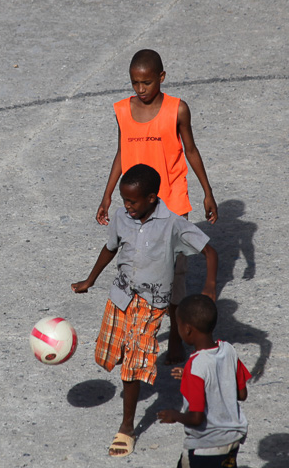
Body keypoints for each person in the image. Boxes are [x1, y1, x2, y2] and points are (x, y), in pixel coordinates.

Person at [73, 164, 218, 458]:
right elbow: (110, 247)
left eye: (132, 201)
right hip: (120, 297)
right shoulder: (122, 217)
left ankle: (127, 427)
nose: (127, 206)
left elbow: (209, 251)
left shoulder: (172, 224)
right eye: (124, 200)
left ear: (152, 198)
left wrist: (210, 286)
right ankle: (132, 372)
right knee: (109, 355)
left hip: (151, 304)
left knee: (133, 366)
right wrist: (90, 279)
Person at [96, 49, 218, 364]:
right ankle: (134, 332)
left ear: (161, 78)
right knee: (132, 267)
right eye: (135, 83)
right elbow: (121, 153)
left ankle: (176, 337)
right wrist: (108, 195)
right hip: (135, 205)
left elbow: (190, 149)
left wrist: (207, 191)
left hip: (172, 203)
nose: (140, 90)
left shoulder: (178, 110)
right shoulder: (123, 110)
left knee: (174, 274)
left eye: (147, 82)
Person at [158, 294, 251, 468]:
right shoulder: (228, 350)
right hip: (232, 440)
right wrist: (188, 376)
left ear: (187, 329)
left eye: (177, 325)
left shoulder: (196, 366)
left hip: (206, 447)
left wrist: (174, 415)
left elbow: (196, 418)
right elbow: (242, 393)